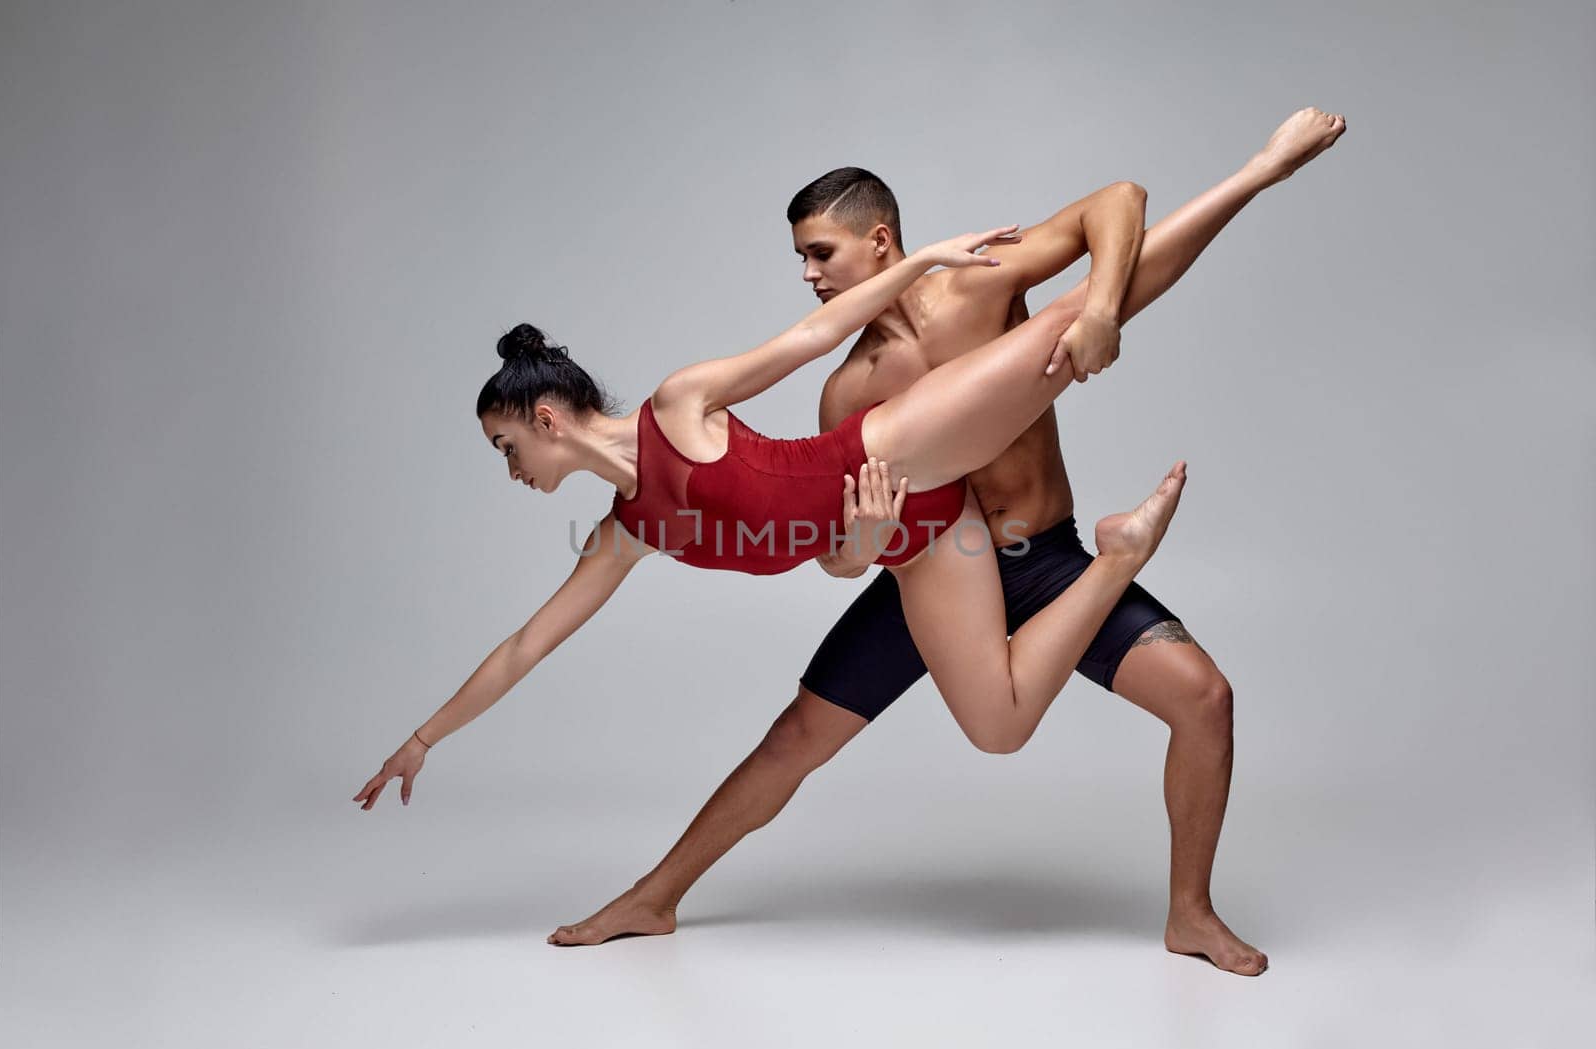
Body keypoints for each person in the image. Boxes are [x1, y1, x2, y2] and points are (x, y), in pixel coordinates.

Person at [541, 107, 1347, 976]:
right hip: (931, 574)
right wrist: (867, 542)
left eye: (823, 254)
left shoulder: (976, 286)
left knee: (1204, 698)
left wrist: (1113, 302)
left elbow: (1120, 209)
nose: (809, 276)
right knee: (794, 739)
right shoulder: (847, 391)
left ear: (881, 242)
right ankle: (654, 895)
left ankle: (1190, 912)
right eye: (801, 260)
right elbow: (837, 552)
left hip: (1044, 561)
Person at [355, 198, 1188, 800]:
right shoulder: (626, 533)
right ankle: (1119, 558)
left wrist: (924, 260)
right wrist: (426, 737)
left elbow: (811, 337)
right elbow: (525, 646)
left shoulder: (677, 404)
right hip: (901, 526)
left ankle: (1259, 171)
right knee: (1000, 727)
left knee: (1082, 318)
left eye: (508, 449)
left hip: (886, 448)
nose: (511, 471)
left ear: (545, 419)